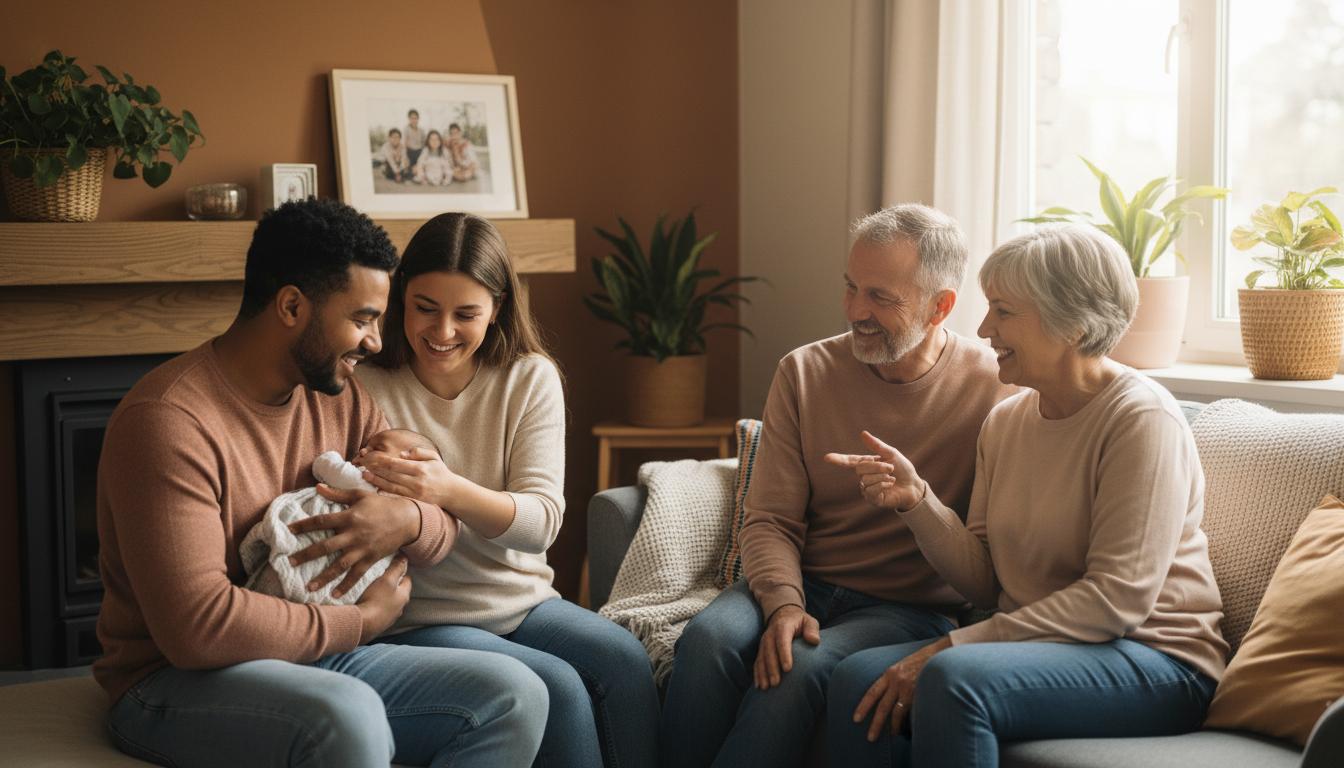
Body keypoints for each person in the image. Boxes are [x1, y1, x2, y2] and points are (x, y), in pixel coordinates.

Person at [95, 198, 548, 768]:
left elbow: (439, 529)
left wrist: (408, 519)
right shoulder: (168, 421)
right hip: (175, 681)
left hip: (315, 658)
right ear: (291, 306)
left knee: (516, 694)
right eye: (362, 319)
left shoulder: (338, 397)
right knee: (347, 714)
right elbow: (198, 629)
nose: (377, 341)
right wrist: (361, 621)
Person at [825, 225, 1228, 768]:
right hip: (1043, 647)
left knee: (952, 678)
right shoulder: (1006, 422)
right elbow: (985, 582)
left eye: (1004, 311)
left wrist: (954, 645)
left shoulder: (1141, 418)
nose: (983, 328)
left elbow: (1117, 601)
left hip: (1156, 660)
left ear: (1073, 322)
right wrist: (917, 501)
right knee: (855, 677)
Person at [659, 204, 1018, 768]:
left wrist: (916, 499)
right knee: (706, 641)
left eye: (880, 297)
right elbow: (770, 518)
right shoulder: (803, 371)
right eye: (851, 287)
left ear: (940, 306)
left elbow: (990, 557)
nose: (855, 311)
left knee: (799, 665)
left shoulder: (998, 390)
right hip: (805, 579)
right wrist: (784, 602)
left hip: (908, 607)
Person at [352, 212, 660, 768]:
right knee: (559, 687)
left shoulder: (529, 377)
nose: (443, 331)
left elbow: (540, 523)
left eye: (466, 314)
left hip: (524, 602)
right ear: (400, 299)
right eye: (425, 308)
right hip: (421, 617)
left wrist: (445, 487)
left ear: (497, 309)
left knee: (623, 658)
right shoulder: (364, 383)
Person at [239, 428, 440, 606]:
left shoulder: (367, 483)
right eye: (365, 447)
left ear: (407, 467)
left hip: (314, 557)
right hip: (352, 599)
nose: (362, 451)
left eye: (377, 448)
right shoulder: (406, 501)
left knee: (275, 583)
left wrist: (332, 458)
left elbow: (324, 464)